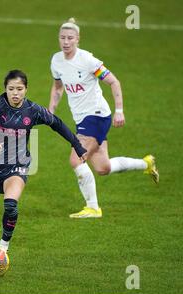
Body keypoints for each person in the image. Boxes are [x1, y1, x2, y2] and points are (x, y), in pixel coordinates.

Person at [48, 18, 159, 219]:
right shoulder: (56, 61)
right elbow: (57, 88)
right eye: (62, 38)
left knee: (76, 158)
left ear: (78, 39)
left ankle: (93, 208)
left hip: (97, 115)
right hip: (82, 119)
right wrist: (50, 111)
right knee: (103, 167)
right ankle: (146, 164)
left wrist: (120, 110)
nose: (66, 42)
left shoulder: (88, 60)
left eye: (70, 38)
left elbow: (114, 82)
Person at [0, 70, 87, 252]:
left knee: (11, 205)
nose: (15, 93)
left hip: (18, 164)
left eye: (19, 88)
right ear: (5, 89)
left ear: (26, 89)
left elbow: (56, 123)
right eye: (11, 89)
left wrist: (76, 144)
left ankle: (3, 249)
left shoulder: (33, 110)